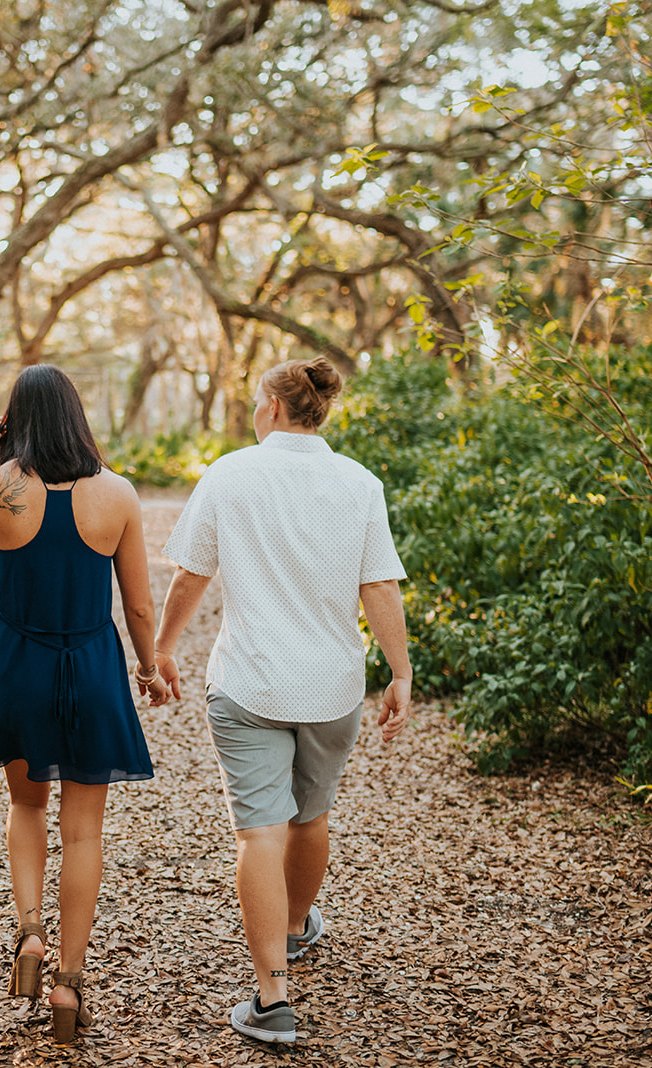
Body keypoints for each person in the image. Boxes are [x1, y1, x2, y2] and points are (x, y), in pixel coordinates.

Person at [152, 356, 413, 1045]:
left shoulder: (231, 474)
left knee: (258, 832)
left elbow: (190, 575)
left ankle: (272, 998)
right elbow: (380, 587)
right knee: (311, 814)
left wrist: (162, 648)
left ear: (271, 405)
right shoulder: (359, 484)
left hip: (249, 683)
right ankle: (296, 926)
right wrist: (401, 672)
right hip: (333, 687)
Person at [0, 364, 171, 1044]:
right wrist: (151, 667)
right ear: (76, 416)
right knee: (83, 830)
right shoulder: (118, 493)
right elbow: (136, 602)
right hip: (93, 669)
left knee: (25, 804)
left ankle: (30, 933)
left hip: (20, 667)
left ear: (16, 419)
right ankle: (70, 981)